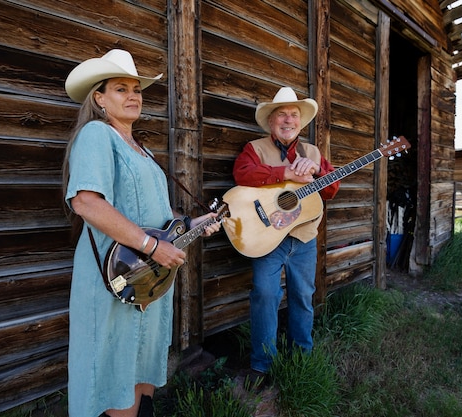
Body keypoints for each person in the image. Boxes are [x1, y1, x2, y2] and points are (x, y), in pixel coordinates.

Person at [62, 49, 221, 417]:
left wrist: (194, 226)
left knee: (140, 364)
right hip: (115, 274)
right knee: (115, 364)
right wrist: (152, 246)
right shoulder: (96, 134)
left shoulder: (143, 150)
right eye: (121, 89)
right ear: (99, 98)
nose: (133, 95)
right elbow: (86, 202)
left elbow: (161, 217)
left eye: (136, 89)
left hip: (148, 276)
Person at [232, 86, 340, 383]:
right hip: (267, 238)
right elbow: (242, 174)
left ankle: (300, 358)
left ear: (301, 122)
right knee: (265, 295)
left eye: (294, 115)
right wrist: (285, 175)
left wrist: (317, 171)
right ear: (271, 121)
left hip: (303, 238)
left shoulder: (313, 153)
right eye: (282, 115)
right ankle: (261, 365)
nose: (289, 120)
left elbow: (331, 190)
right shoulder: (255, 149)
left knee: (303, 297)